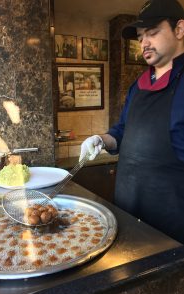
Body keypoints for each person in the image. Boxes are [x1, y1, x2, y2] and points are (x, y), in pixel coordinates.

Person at [79, 0, 184, 243]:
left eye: (153, 32)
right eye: (140, 36)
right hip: (127, 211)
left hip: (171, 225)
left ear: (179, 30)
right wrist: (102, 139)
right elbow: (124, 129)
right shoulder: (138, 85)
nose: (144, 43)